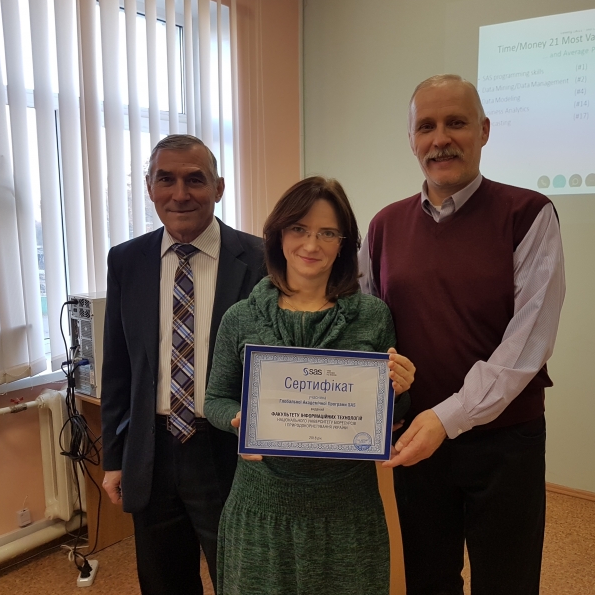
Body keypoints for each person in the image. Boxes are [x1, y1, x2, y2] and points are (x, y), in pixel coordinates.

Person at [360, 74, 566, 594]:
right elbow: (367, 330)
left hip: (505, 443)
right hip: (416, 441)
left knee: (507, 580)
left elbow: (528, 342)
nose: (440, 139)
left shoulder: (528, 214)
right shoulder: (383, 226)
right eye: (426, 126)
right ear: (411, 139)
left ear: (484, 131)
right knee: (428, 580)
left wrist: (447, 417)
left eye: (456, 123)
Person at [204, 176, 415, 595]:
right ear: (279, 235)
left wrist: (400, 390)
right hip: (261, 508)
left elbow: (391, 417)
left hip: (347, 512)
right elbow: (215, 399)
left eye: (327, 233)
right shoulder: (240, 318)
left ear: (344, 243)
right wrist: (237, 419)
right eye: (299, 228)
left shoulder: (373, 317)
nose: (311, 244)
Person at [100, 134, 266, 595]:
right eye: (165, 180)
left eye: (195, 179)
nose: (180, 194)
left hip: (229, 448)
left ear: (219, 187)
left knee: (242, 579)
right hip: (151, 452)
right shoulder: (126, 260)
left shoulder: (261, 259)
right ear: (149, 188)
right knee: (163, 581)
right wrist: (114, 458)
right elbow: (118, 367)